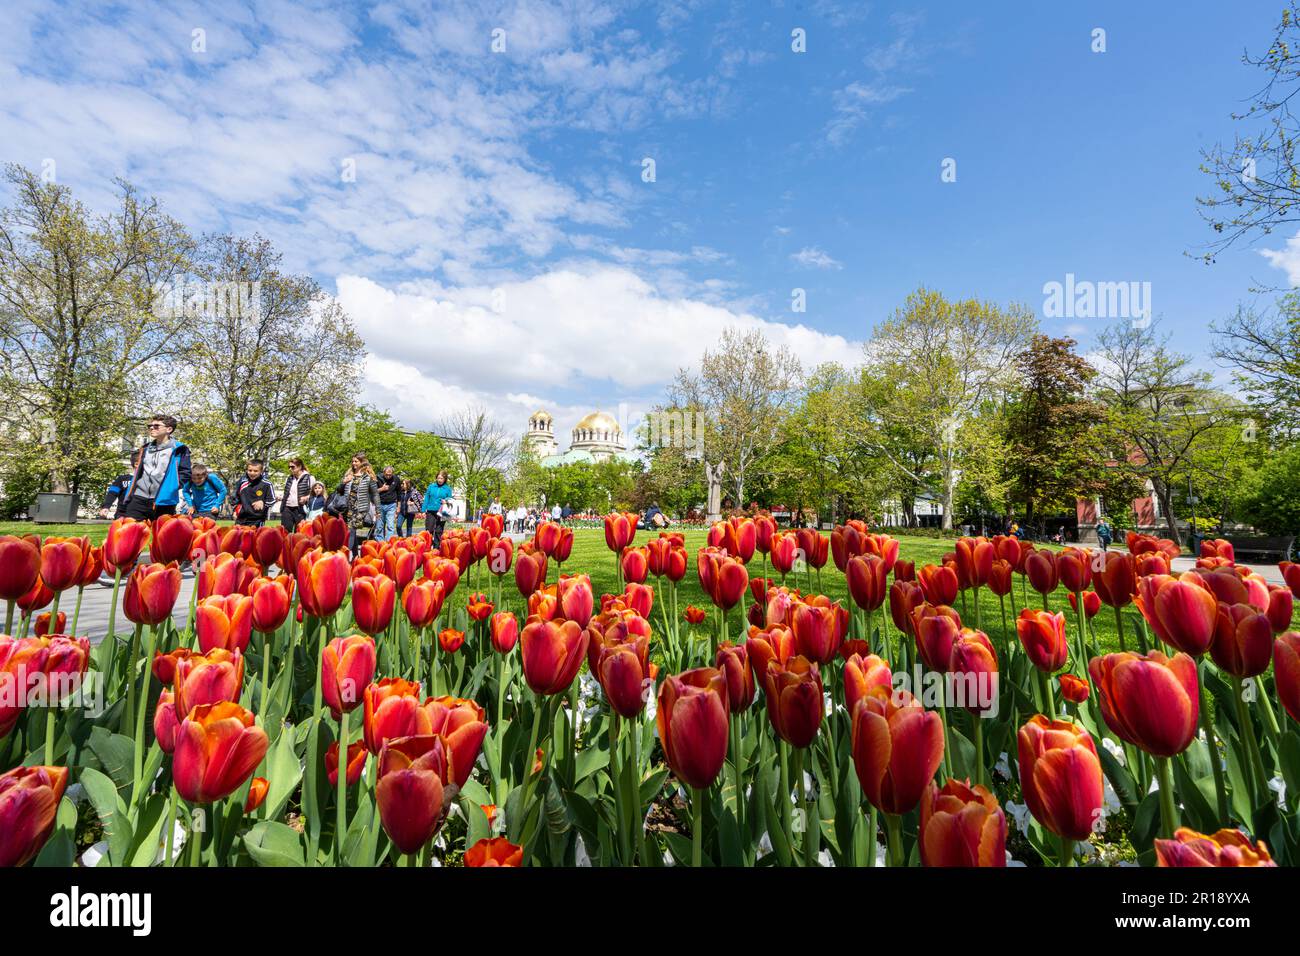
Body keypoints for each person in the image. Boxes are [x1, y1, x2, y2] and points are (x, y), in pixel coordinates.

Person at [121, 414, 191, 520]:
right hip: (139, 497)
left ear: (169, 429)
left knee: (160, 534)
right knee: (130, 531)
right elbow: (139, 472)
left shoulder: (179, 449)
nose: (151, 428)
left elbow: (185, 473)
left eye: (156, 426)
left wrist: (171, 487)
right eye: (150, 426)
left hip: (164, 500)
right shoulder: (144, 449)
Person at [340, 454, 380, 556]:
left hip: (360, 509)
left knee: (351, 529)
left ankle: (347, 554)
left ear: (361, 463)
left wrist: (378, 510)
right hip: (347, 508)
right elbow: (339, 491)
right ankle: (355, 556)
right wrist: (343, 482)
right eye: (353, 461)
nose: (353, 463)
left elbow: (375, 494)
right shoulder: (348, 476)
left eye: (356, 461)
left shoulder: (368, 478)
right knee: (350, 531)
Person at [231, 459, 276, 527]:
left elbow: (272, 500)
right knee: (238, 537)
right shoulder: (242, 482)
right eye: (250, 470)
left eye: (255, 471)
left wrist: (262, 502)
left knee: (255, 537)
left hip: (257, 520)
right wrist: (235, 511)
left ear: (261, 471)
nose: (252, 473)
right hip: (241, 518)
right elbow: (236, 498)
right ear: (247, 470)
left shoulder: (267, 484)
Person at [100, 449, 142, 518]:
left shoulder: (150, 480)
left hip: (141, 516)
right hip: (122, 515)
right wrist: (106, 507)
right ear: (136, 464)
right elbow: (112, 493)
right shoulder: (122, 479)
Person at [280, 458, 315, 531]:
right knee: (285, 532)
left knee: (299, 532)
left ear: (299, 467)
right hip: (287, 508)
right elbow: (287, 493)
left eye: (292, 467)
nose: (290, 469)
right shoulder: (289, 478)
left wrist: (306, 498)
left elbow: (314, 494)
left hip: (301, 509)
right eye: (289, 467)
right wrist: (281, 497)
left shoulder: (310, 478)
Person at [422, 470, 454, 547]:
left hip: (442, 511)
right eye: (438, 478)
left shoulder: (447, 489)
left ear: (445, 479)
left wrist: (445, 501)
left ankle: (436, 548)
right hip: (431, 511)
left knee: (439, 531)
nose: (440, 480)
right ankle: (427, 547)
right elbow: (426, 498)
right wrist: (423, 510)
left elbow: (450, 499)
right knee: (429, 530)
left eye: (441, 478)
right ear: (436, 478)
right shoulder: (431, 486)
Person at [375, 465, 402, 541]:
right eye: (386, 474)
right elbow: (373, 492)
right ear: (383, 473)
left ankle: (388, 542)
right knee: (379, 526)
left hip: (391, 505)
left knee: (390, 525)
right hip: (380, 504)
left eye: (390, 475)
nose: (388, 476)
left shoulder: (396, 479)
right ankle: (380, 542)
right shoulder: (378, 478)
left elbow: (399, 493)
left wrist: (398, 507)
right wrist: (382, 489)